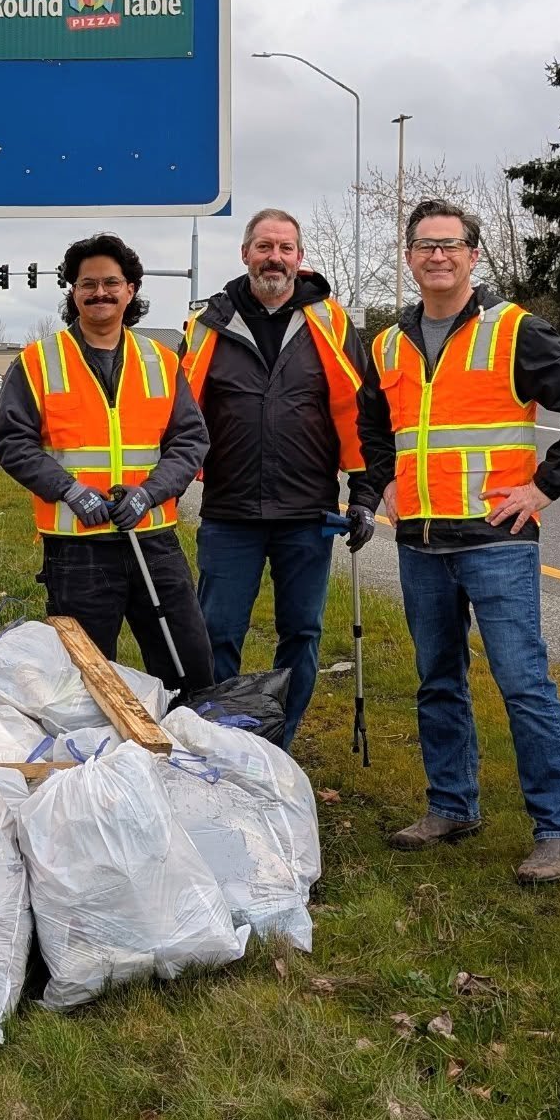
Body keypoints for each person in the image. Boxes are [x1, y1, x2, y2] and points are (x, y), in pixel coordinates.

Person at [368, 198, 560, 883]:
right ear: (410, 257)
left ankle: (559, 829)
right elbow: (370, 425)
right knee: (437, 681)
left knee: (523, 684)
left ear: (474, 255)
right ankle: (452, 805)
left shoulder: (513, 331)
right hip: (419, 541)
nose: (437, 255)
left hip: (496, 541)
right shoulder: (389, 344)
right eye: (424, 244)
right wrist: (382, 481)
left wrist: (543, 488)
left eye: (450, 244)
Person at [181, 208, 394, 747]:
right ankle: (217, 743)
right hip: (229, 513)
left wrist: (364, 495)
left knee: (301, 633)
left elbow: (359, 412)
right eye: (264, 247)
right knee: (217, 634)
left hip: (308, 514)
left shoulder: (331, 321)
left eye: (285, 248)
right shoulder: (206, 325)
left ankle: (279, 744)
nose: (274, 258)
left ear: (299, 259)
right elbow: (178, 416)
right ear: (245, 253)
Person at [0, 232, 214, 691]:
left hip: (153, 539)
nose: (99, 292)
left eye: (111, 282)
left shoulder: (160, 359)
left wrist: (149, 493)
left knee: (188, 665)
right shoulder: (38, 361)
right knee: (83, 681)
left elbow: (190, 439)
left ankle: (188, 752)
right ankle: (95, 759)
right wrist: (69, 491)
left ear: (131, 290)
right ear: (72, 292)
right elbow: (13, 441)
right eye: (87, 283)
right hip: (77, 549)